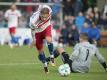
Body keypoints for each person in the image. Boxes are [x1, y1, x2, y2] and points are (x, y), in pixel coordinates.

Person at [29, 5, 55, 73]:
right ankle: (45, 66)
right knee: (40, 51)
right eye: (42, 17)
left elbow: (42, 5)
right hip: (37, 32)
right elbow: (32, 31)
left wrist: (41, 6)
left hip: (46, 27)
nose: (44, 19)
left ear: (49, 14)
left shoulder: (49, 10)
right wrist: (34, 39)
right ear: (40, 14)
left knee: (49, 39)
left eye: (45, 17)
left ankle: (51, 55)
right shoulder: (33, 22)